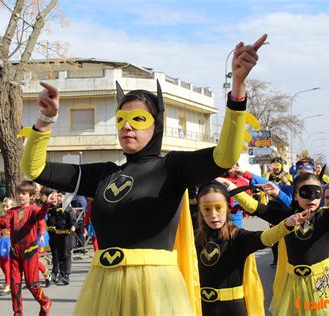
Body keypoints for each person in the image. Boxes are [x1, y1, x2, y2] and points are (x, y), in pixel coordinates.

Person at [19, 34, 269, 315]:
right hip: (104, 288)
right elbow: (36, 170)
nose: (127, 127)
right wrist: (46, 120)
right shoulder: (104, 174)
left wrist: (237, 89)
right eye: (121, 120)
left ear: (157, 125)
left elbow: (225, 156)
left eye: (138, 120)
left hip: (155, 292)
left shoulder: (172, 168)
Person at [230, 173, 329, 315]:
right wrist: (232, 188)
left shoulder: (327, 216)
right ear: (295, 195)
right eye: (305, 192)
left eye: (317, 192)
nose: (311, 197)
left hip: (323, 284)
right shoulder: (286, 218)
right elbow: (255, 207)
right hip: (294, 284)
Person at [196, 180, 308, 315]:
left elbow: (265, 238)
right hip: (203, 308)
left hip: (234, 309)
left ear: (227, 208)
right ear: (201, 211)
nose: (213, 215)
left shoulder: (238, 237)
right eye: (207, 209)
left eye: (218, 208)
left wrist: (286, 225)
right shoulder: (194, 239)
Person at [0, 180, 53, 316]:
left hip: (30, 252)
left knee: (32, 284)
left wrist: (47, 204)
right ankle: (17, 313)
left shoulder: (33, 209)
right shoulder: (13, 211)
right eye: (19, 193)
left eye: (24, 193)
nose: (20, 196)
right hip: (15, 252)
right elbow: (4, 223)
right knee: (15, 285)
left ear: (31, 196)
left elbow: (40, 216)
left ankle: (45, 301)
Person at [46, 191, 76, 285]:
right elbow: (47, 212)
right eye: (58, 196)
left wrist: (73, 226)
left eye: (60, 196)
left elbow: (73, 219)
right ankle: (59, 274)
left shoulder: (68, 208)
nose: (58, 198)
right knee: (58, 254)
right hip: (57, 235)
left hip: (66, 234)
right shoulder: (55, 209)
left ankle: (66, 274)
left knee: (66, 254)